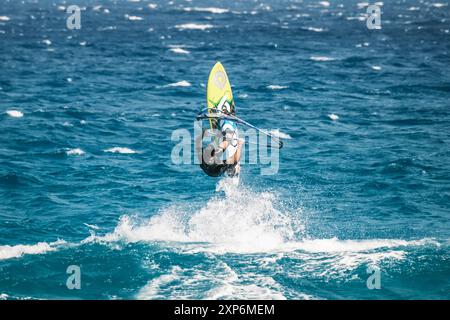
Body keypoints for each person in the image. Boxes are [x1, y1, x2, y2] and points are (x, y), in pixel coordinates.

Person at [196, 98, 243, 177]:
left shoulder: (203, 155)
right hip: (216, 171)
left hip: (209, 165)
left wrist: (204, 133)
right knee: (232, 162)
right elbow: (235, 160)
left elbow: (197, 142)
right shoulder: (221, 162)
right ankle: (233, 170)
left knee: (218, 143)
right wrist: (240, 144)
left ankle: (221, 139)